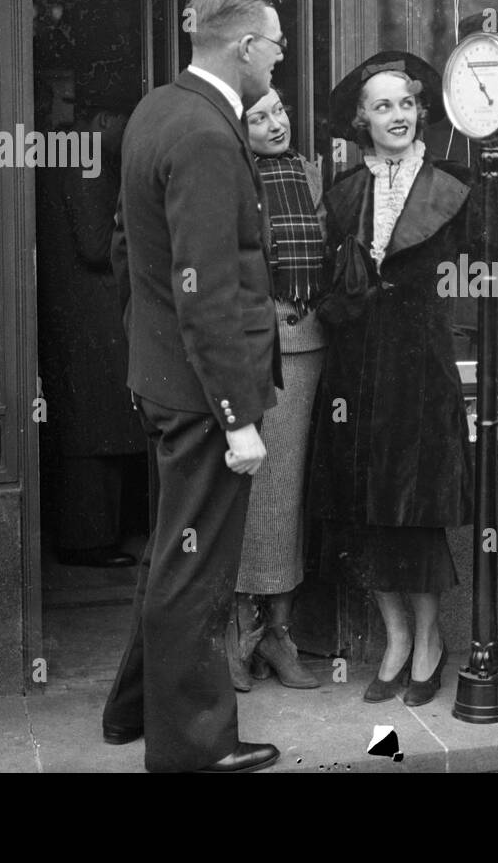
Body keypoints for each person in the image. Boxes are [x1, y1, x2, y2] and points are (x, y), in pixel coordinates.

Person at [102, 0, 285, 774]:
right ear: (244, 48)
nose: (280, 57)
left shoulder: (156, 109)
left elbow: (126, 254)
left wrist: (151, 358)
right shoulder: (208, 134)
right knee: (197, 563)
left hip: (164, 377)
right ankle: (194, 749)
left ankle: (133, 712)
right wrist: (235, 414)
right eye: (276, 44)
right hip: (203, 392)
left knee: (175, 551)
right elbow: (204, 287)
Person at [309, 50, 474, 707]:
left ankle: (429, 643)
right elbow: (325, 281)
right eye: (383, 107)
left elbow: (474, 280)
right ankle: (395, 640)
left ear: (420, 112)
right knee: (368, 510)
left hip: (421, 364)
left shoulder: (451, 188)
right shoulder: (344, 194)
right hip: (357, 368)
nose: (397, 115)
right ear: (362, 120)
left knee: (417, 509)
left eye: (406, 103)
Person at [225, 86, 325, 692]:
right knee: (252, 490)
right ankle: (242, 633)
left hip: (307, 345)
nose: (275, 124)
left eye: (281, 111)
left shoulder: (311, 173)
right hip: (249, 350)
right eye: (258, 117)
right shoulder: (230, 176)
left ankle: (280, 635)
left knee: (289, 491)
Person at [36, 95, 146, 569]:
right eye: (125, 121)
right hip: (92, 314)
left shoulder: (65, 151)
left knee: (89, 425)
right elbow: (97, 244)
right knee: (96, 428)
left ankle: (91, 536)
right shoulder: (87, 160)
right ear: (104, 119)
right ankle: (90, 540)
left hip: (75, 312)